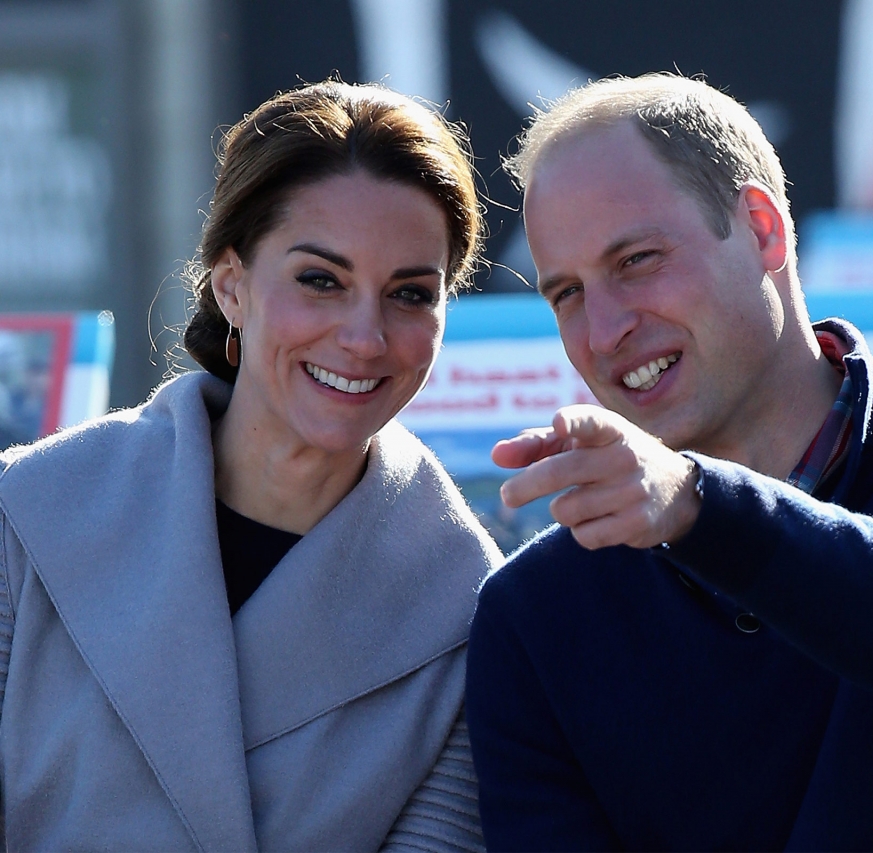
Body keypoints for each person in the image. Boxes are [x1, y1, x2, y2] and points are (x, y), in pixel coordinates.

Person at [464, 72, 873, 851]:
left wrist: (699, 506)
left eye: (636, 260)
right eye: (565, 293)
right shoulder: (535, 613)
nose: (604, 330)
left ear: (763, 229)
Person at [0, 80, 502, 851]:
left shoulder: (471, 612)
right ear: (232, 285)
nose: (365, 337)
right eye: (320, 280)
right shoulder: (28, 515)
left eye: (409, 293)